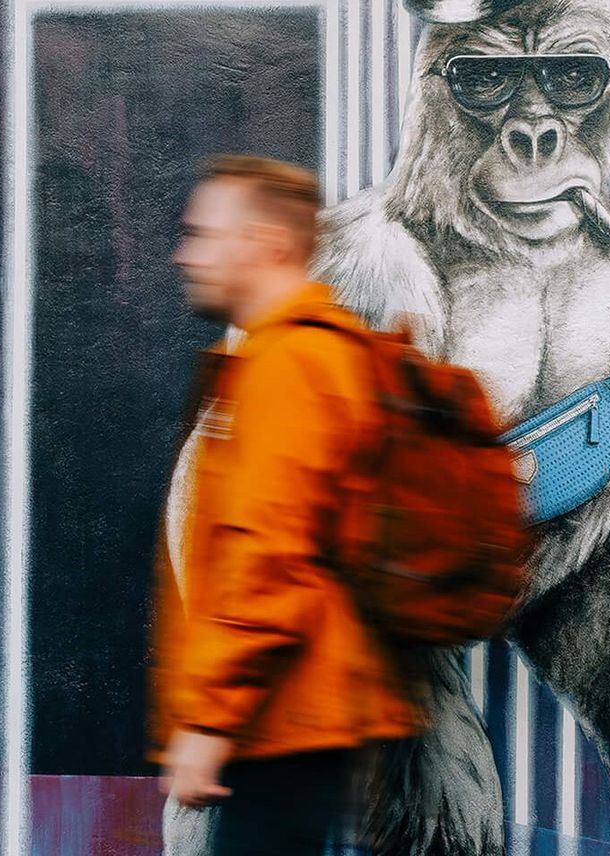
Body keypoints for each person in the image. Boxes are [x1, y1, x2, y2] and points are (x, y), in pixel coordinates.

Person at [149, 155, 422, 855]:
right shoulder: (290, 354)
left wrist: (209, 719)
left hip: (284, 714)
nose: (185, 255)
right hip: (289, 710)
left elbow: (268, 555)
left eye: (204, 235)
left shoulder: (292, 364)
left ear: (266, 244)